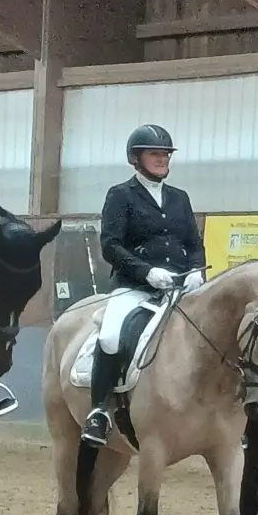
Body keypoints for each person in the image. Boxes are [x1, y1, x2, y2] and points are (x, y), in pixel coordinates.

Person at [80, 124, 206, 447]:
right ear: (136, 158)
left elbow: (194, 243)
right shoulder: (121, 195)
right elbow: (111, 245)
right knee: (110, 335)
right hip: (136, 287)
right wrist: (146, 272)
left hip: (181, 289)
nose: (163, 159)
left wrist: (195, 270)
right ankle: (99, 411)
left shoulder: (180, 198)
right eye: (155, 154)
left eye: (166, 154)